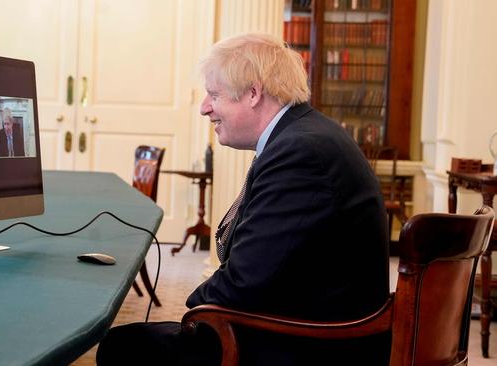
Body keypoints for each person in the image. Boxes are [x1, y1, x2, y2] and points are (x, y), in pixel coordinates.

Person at [96, 33, 390, 365]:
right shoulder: (305, 135)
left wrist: (193, 309)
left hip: (309, 346)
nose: (205, 108)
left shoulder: (300, 152)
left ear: (253, 93)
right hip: (305, 324)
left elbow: (243, 282)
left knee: (123, 346)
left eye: (214, 95)